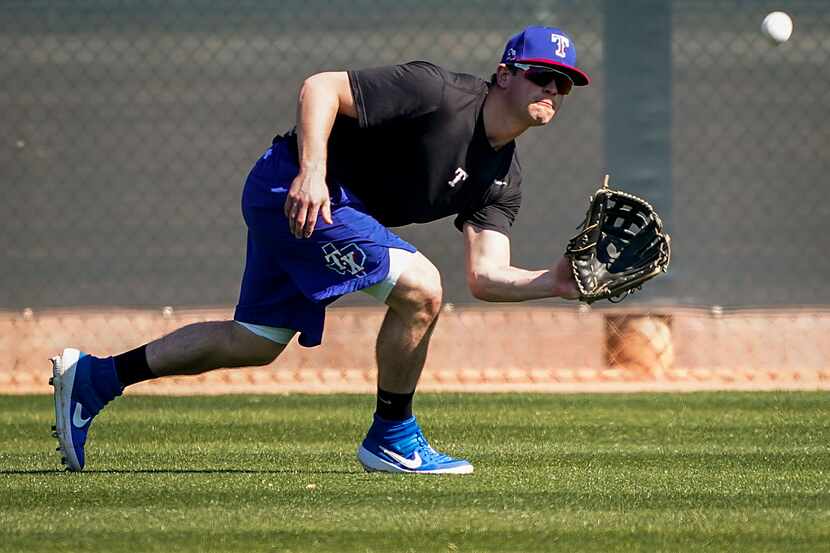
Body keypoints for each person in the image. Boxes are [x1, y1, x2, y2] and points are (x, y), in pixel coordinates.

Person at [50, 25, 590, 474]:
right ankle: (393, 435)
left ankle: (96, 378)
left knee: (254, 341)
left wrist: (556, 282)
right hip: (297, 187)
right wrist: (311, 171)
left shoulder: (503, 176)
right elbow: (321, 87)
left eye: (565, 84)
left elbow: (486, 276)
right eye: (542, 75)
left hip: (314, 208)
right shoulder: (439, 93)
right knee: (422, 289)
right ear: (504, 74)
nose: (553, 89)